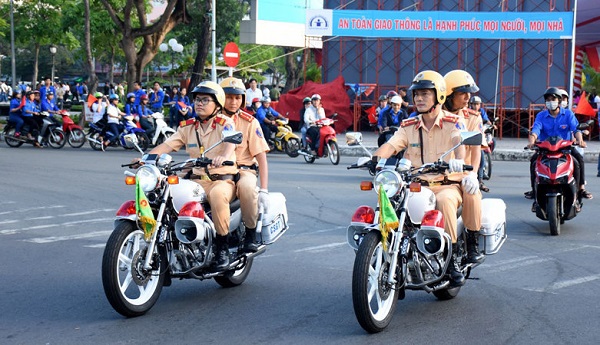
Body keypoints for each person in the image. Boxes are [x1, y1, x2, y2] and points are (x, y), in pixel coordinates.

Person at [372, 70, 482, 287]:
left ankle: (451, 262)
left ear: (439, 96)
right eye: (416, 94)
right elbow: (391, 145)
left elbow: (459, 140)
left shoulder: (454, 122)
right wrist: (374, 159)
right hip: (416, 184)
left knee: (445, 201)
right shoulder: (409, 126)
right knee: (392, 201)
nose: (419, 98)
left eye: (425, 94)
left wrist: (459, 160)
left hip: (446, 183)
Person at [142, 81, 237, 270]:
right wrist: (146, 158)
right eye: (196, 99)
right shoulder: (187, 127)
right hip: (196, 180)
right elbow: (167, 146)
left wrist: (223, 157)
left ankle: (222, 248)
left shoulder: (225, 122)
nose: (199, 103)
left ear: (217, 103)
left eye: (204, 99)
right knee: (165, 192)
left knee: (218, 195)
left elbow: (230, 143)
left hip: (221, 180)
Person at [220, 77, 271, 252]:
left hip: (243, 170)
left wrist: (263, 189)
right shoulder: (211, 120)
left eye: (237, 97)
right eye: (229, 97)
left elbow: (261, 157)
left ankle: (250, 233)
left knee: (248, 188)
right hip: (216, 172)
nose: (233, 102)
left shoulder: (250, 122)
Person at [526, 87, 593, 200]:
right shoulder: (541, 116)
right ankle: (534, 190)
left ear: (559, 101)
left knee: (578, 160)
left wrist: (580, 141)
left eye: (553, 99)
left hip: (565, 148)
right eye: (548, 99)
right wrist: (532, 142)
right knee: (533, 162)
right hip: (545, 149)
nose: (550, 102)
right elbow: (535, 130)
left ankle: (581, 188)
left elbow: (576, 129)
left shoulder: (568, 114)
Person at [469, 95, 492, 192]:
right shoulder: (467, 113)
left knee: (481, 161)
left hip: (479, 139)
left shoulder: (481, 112)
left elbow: (487, 121)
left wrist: (491, 125)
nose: (475, 106)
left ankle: (480, 181)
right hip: (469, 139)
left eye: (477, 104)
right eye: (473, 104)